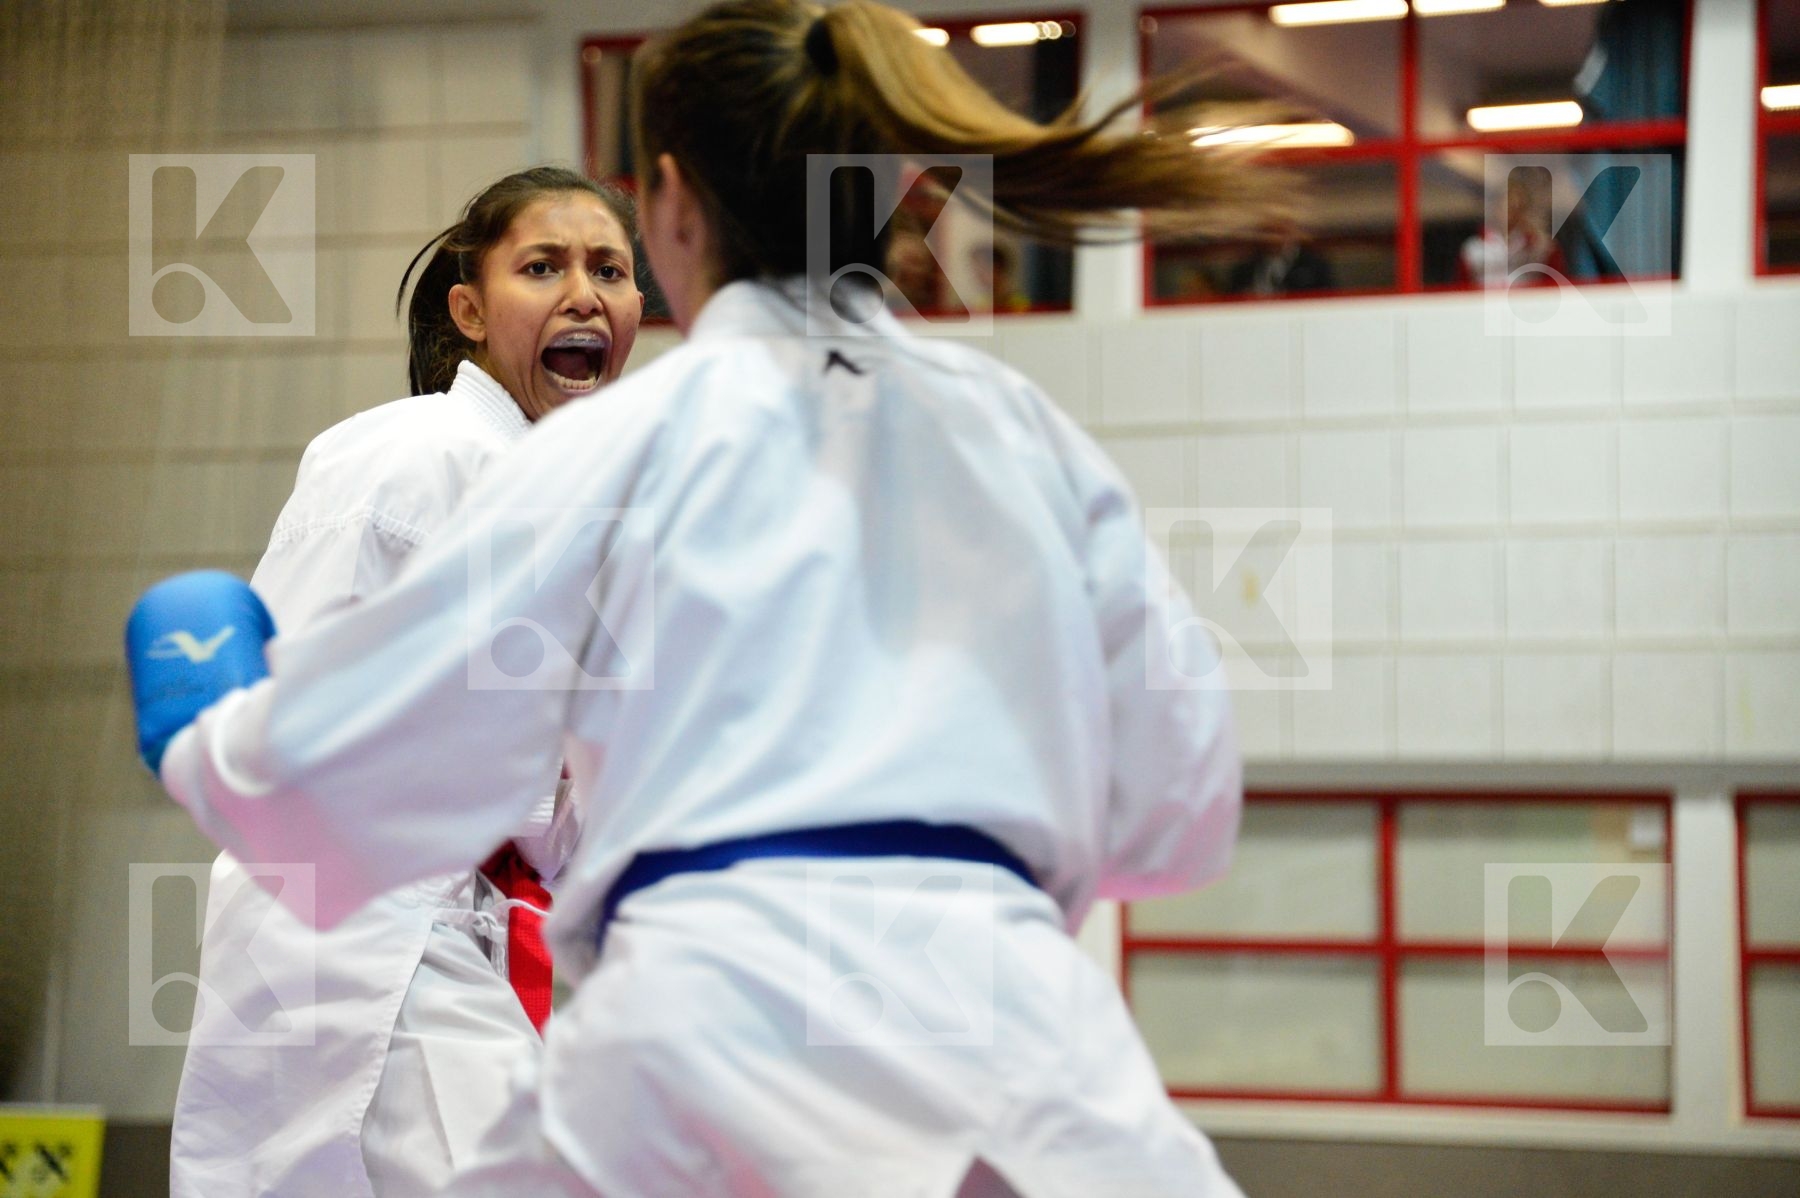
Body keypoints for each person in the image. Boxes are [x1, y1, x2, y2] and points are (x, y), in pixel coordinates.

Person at [128, 3, 1258, 1193]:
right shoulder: (1041, 444)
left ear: (668, 203)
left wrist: (204, 717)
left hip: (699, 1035)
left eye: (606, 259)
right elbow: (1181, 818)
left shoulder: (617, 449)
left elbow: (333, 796)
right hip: (1029, 1044)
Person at [165, 165, 644, 1198]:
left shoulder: (570, 505)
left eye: (610, 268)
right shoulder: (415, 451)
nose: (585, 293)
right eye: (543, 265)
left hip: (474, 924)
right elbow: (290, 715)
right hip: (372, 929)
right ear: (469, 309)